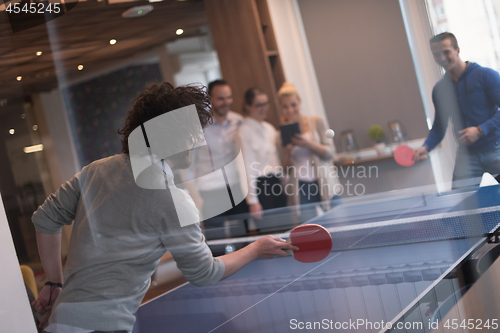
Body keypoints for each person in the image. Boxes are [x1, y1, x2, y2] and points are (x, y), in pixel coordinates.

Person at [31, 82, 297, 333]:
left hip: (60, 322)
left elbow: (45, 219)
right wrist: (255, 249)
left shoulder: (96, 170)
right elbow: (205, 273)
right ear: (177, 138)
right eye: (195, 134)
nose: (199, 142)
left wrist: (54, 283)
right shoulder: (173, 200)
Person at [414, 32, 500, 186]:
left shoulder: (486, 76)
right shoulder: (440, 90)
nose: (442, 58)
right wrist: (426, 147)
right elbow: (439, 126)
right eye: (436, 54)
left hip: (496, 147)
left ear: (457, 50)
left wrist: (480, 130)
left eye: (446, 52)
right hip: (467, 155)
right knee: (460, 203)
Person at [181, 79, 250, 239]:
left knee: (243, 237)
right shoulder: (199, 127)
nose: (226, 102)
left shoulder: (239, 121)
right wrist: (196, 197)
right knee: (216, 241)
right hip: (210, 192)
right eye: (221, 98)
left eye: (229, 97)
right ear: (210, 99)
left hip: (236, 188)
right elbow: (186, 167)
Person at [277, 82, 341, 222]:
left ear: (299, 102)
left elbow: (330, 153)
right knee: (308, 230)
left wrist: (309, 144)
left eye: (293, 104)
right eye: (285, 106)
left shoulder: (316, 122)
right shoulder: (280, 135)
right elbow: (286, 170)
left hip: (324, 181)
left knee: (339, 221)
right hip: (300, 186)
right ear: (281, 108)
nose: (290, 110)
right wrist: (287, 152)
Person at [238, 88, 286, 222]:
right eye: (259, 105)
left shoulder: (269, 128)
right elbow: (247, 168)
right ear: (248, 107)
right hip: (261, 186)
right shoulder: (243, 132)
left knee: (284, 227)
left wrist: (283, 179)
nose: (264, 108)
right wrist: (252, 200)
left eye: (266, 103)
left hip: (276, 182)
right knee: (269, 232)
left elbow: (276, 159)